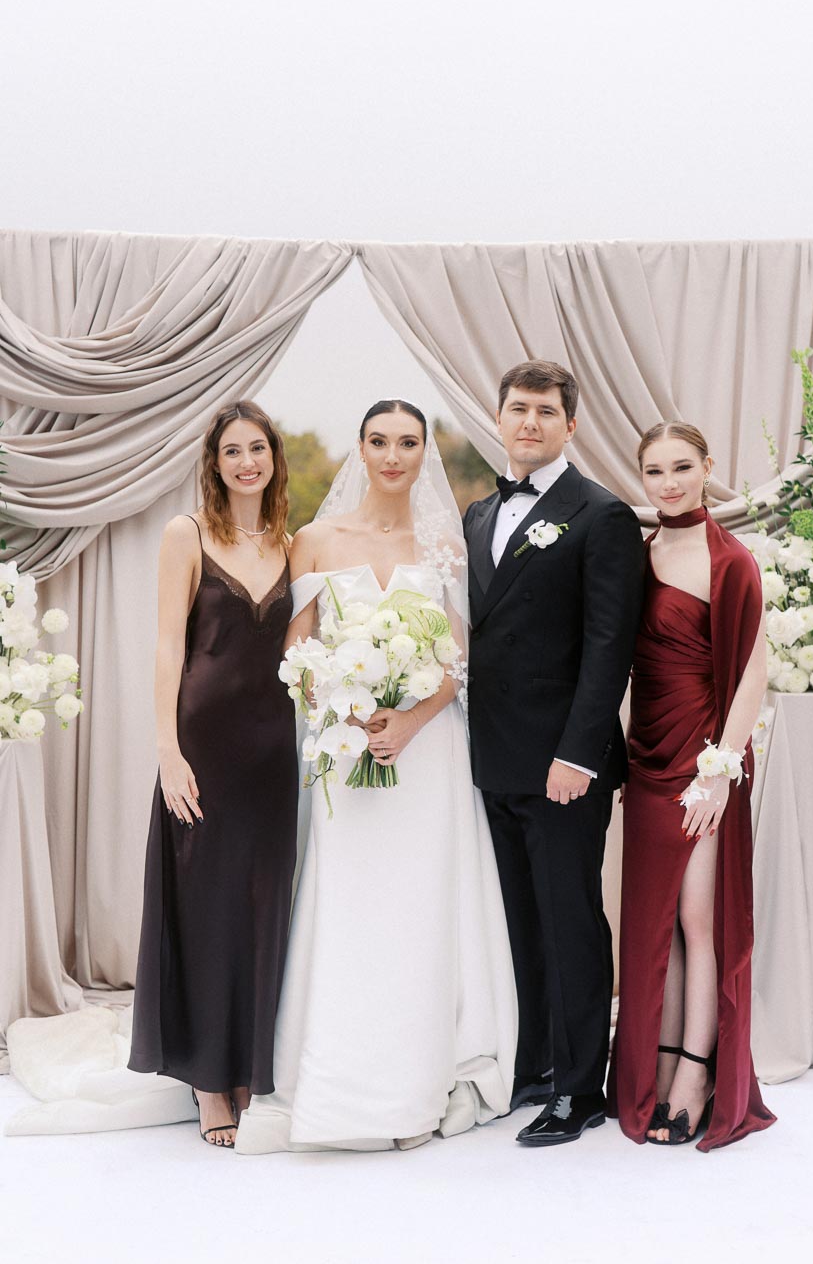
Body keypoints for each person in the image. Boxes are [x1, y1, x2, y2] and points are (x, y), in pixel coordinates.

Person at [235, 399, 516, 1155]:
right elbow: (297, 650)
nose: (393, 456)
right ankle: (339, 1070)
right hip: (344, 747)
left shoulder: (444, 543)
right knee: (351, 898)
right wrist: (343, 708)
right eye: (380, 441)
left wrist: (411, 720)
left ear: (425, 453)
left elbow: (458, 661)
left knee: (420, 901)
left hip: (427, 756)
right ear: (360, 449)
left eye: (408, 443)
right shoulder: (316, 540)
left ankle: (420, 1070)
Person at [464, 360, 645, 1147]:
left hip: (563, 765)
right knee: (517, 920)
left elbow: (609, 648)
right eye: (518, 408)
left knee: (569, 919)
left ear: (570, 425)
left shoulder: (600, 515)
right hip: (490, 758)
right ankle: (534, 1062)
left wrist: (578, 755)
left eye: (545, 411)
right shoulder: (477, 514)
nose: (529, 422)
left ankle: (580, 1088)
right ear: (499, 418)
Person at [129, 401, 299, 1148]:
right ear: (215, 462)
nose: (246, 462)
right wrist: (168, 751)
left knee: (263, 907)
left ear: (274, 458)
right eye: (232, 451)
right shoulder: (187, 534)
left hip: (275, 752)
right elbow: (169, 647)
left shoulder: (293, 544)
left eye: (257, 448)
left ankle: (248, 1064)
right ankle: (206, 1078)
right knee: (206, 905)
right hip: (204, 747)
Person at [607, 421, 776, 1149]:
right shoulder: (640, 553)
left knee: (699, 920)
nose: (669, 483)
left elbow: (752, 677)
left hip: (703, 760)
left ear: (707, 467)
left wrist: (719, 774)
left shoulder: (728, 559)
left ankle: (698, 1072)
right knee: (657, 924)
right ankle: (662, 1057)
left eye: (682, 467)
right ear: (641, 477)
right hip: (646, 758)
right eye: (655, 471)